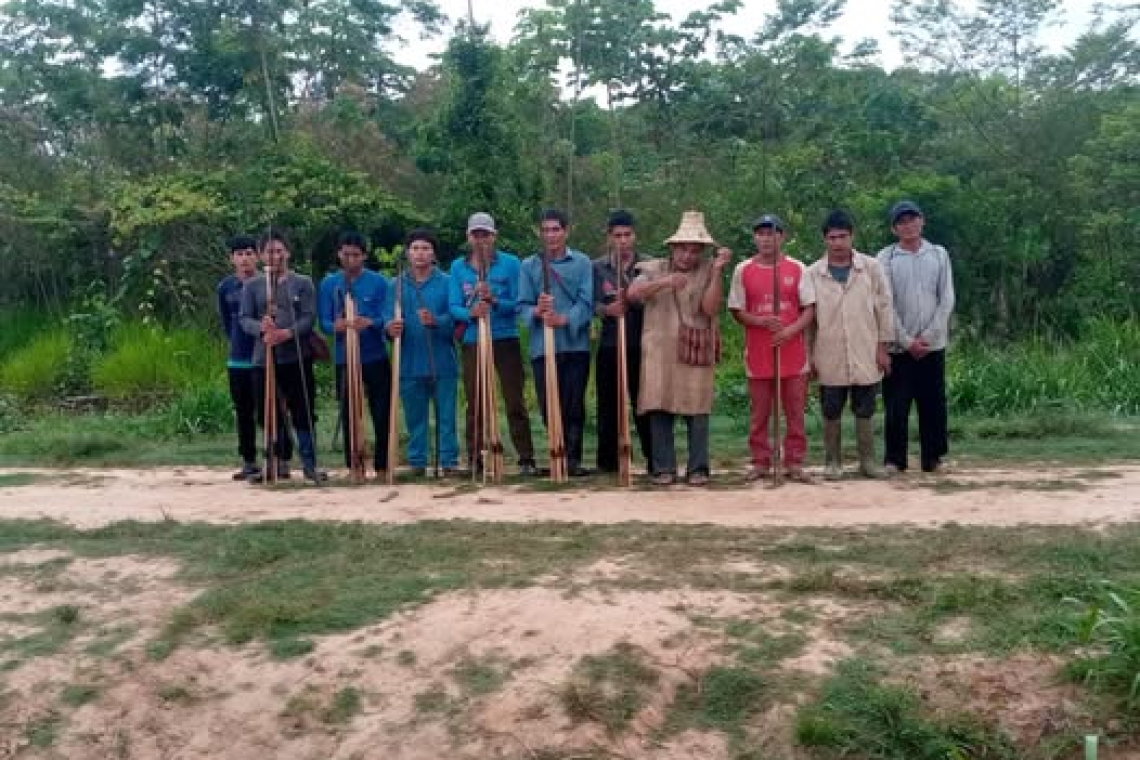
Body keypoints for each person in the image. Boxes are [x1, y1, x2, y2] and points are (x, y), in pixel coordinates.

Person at [627, 210, 732, 487]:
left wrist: (719, 270)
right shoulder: (652, 268)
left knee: (698, 408)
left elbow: (710, 308)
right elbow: (633, 294)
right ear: (672, 248)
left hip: (695, 349)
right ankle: (664, 468)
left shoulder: (709, 270)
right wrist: (665, 282)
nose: (687, 256)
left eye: (694, 250)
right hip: (659, 351)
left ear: (702, 251)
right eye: (682, 249)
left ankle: (698, 468)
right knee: (659, 406)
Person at [805, 210, 894, 480]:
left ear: (852, 236)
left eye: (843, 236)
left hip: (865, 347)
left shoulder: (870, 268)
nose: (838, 243)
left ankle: (867, 461)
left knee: (865, 406)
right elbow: (809, 319)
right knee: (831, 407)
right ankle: (832, 462)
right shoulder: (813, 273)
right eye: (832, 237)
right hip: (828, 350)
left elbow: (885, 308)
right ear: (825, 240)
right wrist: (808, 355)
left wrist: (883, 347)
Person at [728, 214, 816, 482]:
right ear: (755, 237)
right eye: (761, 233)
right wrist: (760, 321)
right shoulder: (743, 270)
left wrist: (790, 331)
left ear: (782, 237)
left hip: (793, 352)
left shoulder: (798, 268)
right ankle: (760, 461)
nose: (767, 239)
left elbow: (809, 309)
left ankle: (794, 461)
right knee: (760, 412)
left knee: (795, 410)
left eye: (772, 233)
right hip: (759, 352)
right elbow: (736, 309)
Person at [448, 212, 537, 476]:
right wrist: (470, 314)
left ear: (494, 236)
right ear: (468, 237)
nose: (481, 240)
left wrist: (495, 300)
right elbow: (453, 306)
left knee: (514, 400)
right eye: (476, 235)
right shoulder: (457, 267)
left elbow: (519, 304)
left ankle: (526, 458)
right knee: (476, 402)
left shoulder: (510, 264)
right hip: (474, 340)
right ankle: (475, 457)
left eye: (485, 234)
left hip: (504, 338)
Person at [878, 200, 955, 475]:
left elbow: (946, 298)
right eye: (901, 222)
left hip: (933, 345)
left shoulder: (938, 254)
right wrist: (908, 340)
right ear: (894, 228)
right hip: (900, 347)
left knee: (933, 403)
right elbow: (885, 303)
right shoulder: (885, 258)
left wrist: (930, 335)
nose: (908, 225)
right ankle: (894, 460)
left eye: (912, 219)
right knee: (896, 405)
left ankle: (933, 458)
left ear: (922, 221)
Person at [240, 228, 323, 482]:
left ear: (287, 252)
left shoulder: (303, 283)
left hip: (296, 356)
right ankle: (275, 462)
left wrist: (287, 333)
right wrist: (261, 329)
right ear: (261, 255)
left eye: (278, 250)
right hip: (263, 358)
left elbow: (309, 317)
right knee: (268, 412)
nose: (274, 256)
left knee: (303, 410)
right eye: (269, 251)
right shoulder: (253, 285)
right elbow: (244, 318)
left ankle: (309, 463)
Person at [518, 209, 595, 477]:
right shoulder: (529, 266)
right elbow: (522, 306)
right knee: (548, 403)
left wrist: (565, 319)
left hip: (575, 346)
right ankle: (554, 454)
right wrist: (537, 311)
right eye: (546, 230)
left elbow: (587, 303)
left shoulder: (583, 263)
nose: (551, 235)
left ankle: (572, 460)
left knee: (573, 405)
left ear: (566, 231)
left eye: (556, 229)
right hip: (542, 348)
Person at [385, 229, 460, 477]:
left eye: (426, 248)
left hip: (442, 361)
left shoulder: (448, 282)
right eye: (415, 248)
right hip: (409, 361)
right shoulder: (395, 284)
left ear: (434, 253)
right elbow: (386, 319)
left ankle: (448, 460)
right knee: (415, 417)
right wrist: (390, 327)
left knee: (446, 416)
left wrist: (436, 321)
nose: (420, 253)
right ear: (408, 252)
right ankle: (418, 461)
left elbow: (456, 319)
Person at [217, 234, 293, 480]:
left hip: (265, 356)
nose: (245, 259)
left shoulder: (267, 284)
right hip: (238, 357)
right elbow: (227, 323)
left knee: (271, 409)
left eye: (249, 253)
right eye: (239, 254)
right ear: (232, 259)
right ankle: (249, 460)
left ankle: (280, 457)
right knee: (244, 411)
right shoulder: (226, 287)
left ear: (257, 257)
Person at [317, 230, 391, 479]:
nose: (350, 260)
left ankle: (382, 464)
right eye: (346, 254)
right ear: (339, 254)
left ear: (364, 256)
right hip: (344, 358)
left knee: (381, 411)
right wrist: (337, 325)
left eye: (356, 255)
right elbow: (325, 322)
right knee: (349, 412)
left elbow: (385, 317)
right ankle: (355, 464)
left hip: (375, 357)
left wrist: (370, 322)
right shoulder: (329, 283)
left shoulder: (379, 282)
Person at [592, 209, 652, 473]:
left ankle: (655, 459)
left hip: (643, 344)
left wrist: (633, 300)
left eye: (627, 235)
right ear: (609, 238)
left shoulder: (648, 265)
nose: (623, 241)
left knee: (644, 404)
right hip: (609, 344)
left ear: (635, 235)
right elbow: (589, 302)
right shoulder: (597, 268)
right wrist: (606, 310)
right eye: (617, 236)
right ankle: (608, 462)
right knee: (608, 405)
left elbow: (656, 300)